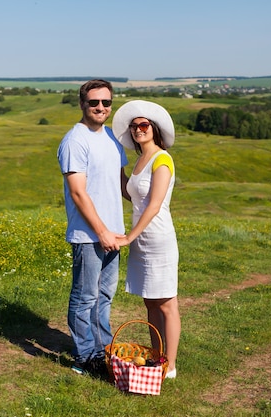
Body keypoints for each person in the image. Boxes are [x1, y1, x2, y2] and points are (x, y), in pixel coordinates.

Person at [57, 79, 129, 375]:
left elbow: (122, 183)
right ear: (82, 104)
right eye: (94, 102)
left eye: (106, 103)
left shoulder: (112, 137)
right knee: (85, 296)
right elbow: (78, 193)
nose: (101, 107)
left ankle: (104, 350)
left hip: (114, 233)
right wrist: (100, 231)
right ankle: (85, 356)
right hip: (89, 235)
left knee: (105, 296)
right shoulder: (75, 140)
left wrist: (151, 203)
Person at [112, 100, 181, 379]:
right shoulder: (141, 160)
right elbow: (134, 195)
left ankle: (171, 366)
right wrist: (116, 169)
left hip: (158, 238)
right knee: (150, 302)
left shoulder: (162, 159)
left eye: (143, 125)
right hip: (142, 240)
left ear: (154, 129)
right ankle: (157, 358)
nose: (138, 130)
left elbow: (153, 205)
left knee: (167, 302)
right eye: (134, 126)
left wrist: (129, 236)